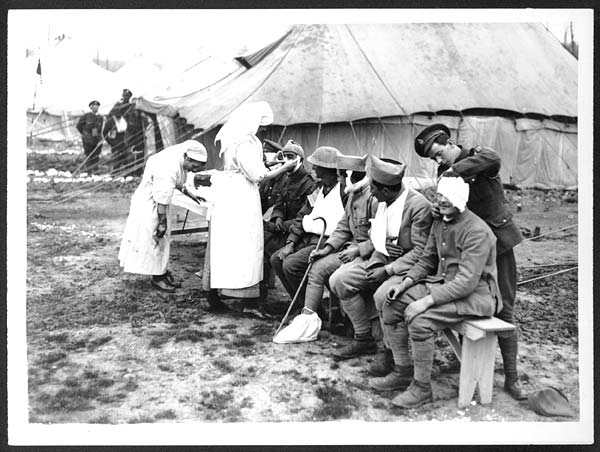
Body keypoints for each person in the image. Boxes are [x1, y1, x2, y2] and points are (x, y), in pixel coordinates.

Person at [413, 123, 526, 400]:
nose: (438, 161)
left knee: (505, 308)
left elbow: (494, 160)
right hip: (468, 247)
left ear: (449, 142)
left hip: (498, 244)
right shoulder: (444, 172)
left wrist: (455, 170)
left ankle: (512, 378)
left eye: (439, 154)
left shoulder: (478, 158)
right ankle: (465, 357)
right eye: (433, 159)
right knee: (466, 295)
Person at [378, 175, 502, 408]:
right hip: (443, 286)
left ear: (461, 200)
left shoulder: (477, 231)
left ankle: (421, 388)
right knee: (391, 304)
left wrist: (425, 302)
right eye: (439, 196)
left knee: (420, 320)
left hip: (475, 297)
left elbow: (466, 282)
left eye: (449, 197)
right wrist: (405, 283)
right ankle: (403, 369)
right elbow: (427, 259)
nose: (442, 201)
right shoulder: (441, 220)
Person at [329, 155, 432, 361]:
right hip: (381, 258)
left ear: (386, 190)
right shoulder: (380, 202)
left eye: (373, 188)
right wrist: (381, 248)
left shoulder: (417, 206)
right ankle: (363, 338)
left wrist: (387, 270)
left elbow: (421, 252)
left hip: (406, 268)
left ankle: (390, 351)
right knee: (339, 280)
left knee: (385, 296)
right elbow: (376, 236)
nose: (370, 192)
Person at [273, 154, 377, 343]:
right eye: (339, 176)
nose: (341, 181)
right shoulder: (332, 190)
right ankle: (308, 316)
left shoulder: (369, 197)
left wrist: (356, 249)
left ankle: (321, 317)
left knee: (313, 268)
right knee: (296, 262)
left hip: (365, 252)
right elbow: (343, 226)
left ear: (350, 176)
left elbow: (379, 237)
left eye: (342, 176)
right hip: (333, 243)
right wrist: (326, 248)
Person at [205, 101, 296, 309]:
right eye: (262, 124)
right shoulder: (244, 142)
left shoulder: (239, 137)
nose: (263, 129)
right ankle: (247, 299)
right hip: (241, 196)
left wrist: (273, 162)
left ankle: (226, 292)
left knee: (231, 244)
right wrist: (286, 167)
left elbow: (253, 166)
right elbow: (259, 175)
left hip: (234, 192)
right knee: (246, 244)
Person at [118, 140, 208, 292]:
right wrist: (162, 223)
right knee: (156, 239)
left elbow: (177, 181)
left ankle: (162, 272)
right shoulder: (169, 165)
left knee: (162, 240)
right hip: (150, 204)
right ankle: (157, 278)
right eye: (194, 166)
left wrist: (190, 193)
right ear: (187, 158)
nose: (193, 170)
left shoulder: (179, 157)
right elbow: (162, 197)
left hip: (157, 202)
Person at [269, 146, 347, 313]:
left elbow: (348, 226)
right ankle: (300, 305)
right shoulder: (317, 189)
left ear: (328, 169)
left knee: (291, 265)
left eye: (317, 166)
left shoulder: (344, 192)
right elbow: (302, 216)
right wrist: (290, 243)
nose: (313, 168)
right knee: (277, 259)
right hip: (309, 238)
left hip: (329, 242)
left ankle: (312, 309)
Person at [263, 140, 316, 298]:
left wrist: (282, 225)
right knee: (258, 238)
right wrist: (277, 217)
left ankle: (299, 299)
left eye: (290, 156)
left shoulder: (308, 183)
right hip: (283, 230)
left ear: (300, 159)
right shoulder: (286, 178)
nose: (286, 160)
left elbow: (306, 216)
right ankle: (261, 291)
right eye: (284, 156)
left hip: (299, 234)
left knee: (276, 257)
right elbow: (279, 202)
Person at [76, 100, 104, 175]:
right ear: (91, 107)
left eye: (97, 106)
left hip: (96, 140)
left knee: (96, 156)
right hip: (87, 140)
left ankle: (96, 172)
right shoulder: (86, 116)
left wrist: (99, 138)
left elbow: (100, 129)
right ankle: (88, 172)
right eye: (94, 106)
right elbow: (79, 126)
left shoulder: (100, 117)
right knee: (89, 156)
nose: (96, 108)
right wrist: (85, 134)